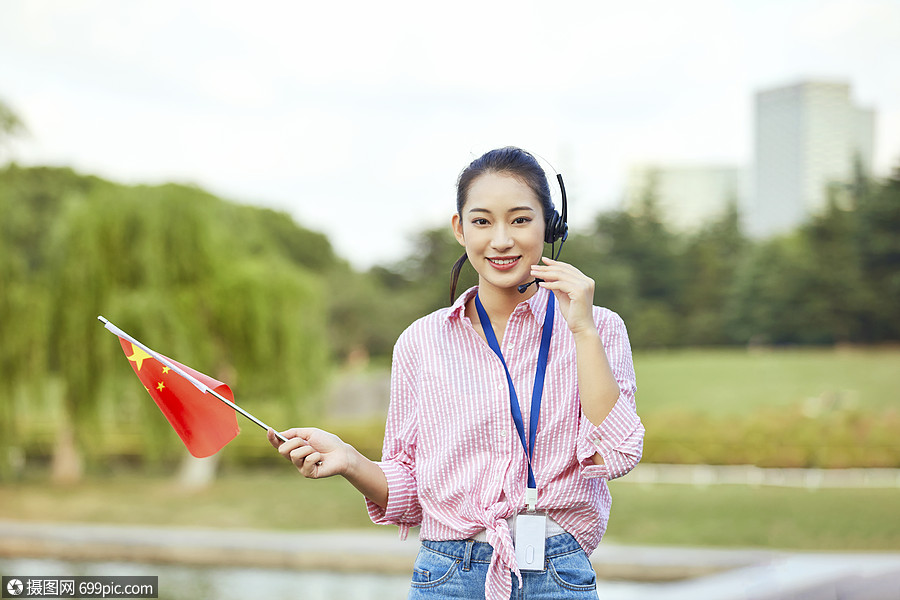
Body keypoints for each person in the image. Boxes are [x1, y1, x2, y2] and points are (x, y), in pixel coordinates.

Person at [268, 146, 644, 600]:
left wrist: (581, 328)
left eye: (521, 220)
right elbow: (411, 492)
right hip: (447, 575)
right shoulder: (420, 342)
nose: (501, 240)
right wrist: (350, 460)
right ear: (459, 228)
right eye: (482, 221)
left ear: (550, 225)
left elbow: (617, 455)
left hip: (557, 573)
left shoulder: (599, 327)